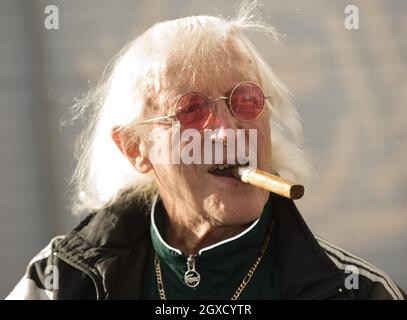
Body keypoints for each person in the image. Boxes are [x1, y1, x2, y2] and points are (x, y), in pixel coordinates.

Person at [6, 5, 405, 300]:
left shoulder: (358, 292)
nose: (229, 130)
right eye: (193, 110)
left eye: (244, 100)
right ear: (135, 148)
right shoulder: (61, 278)